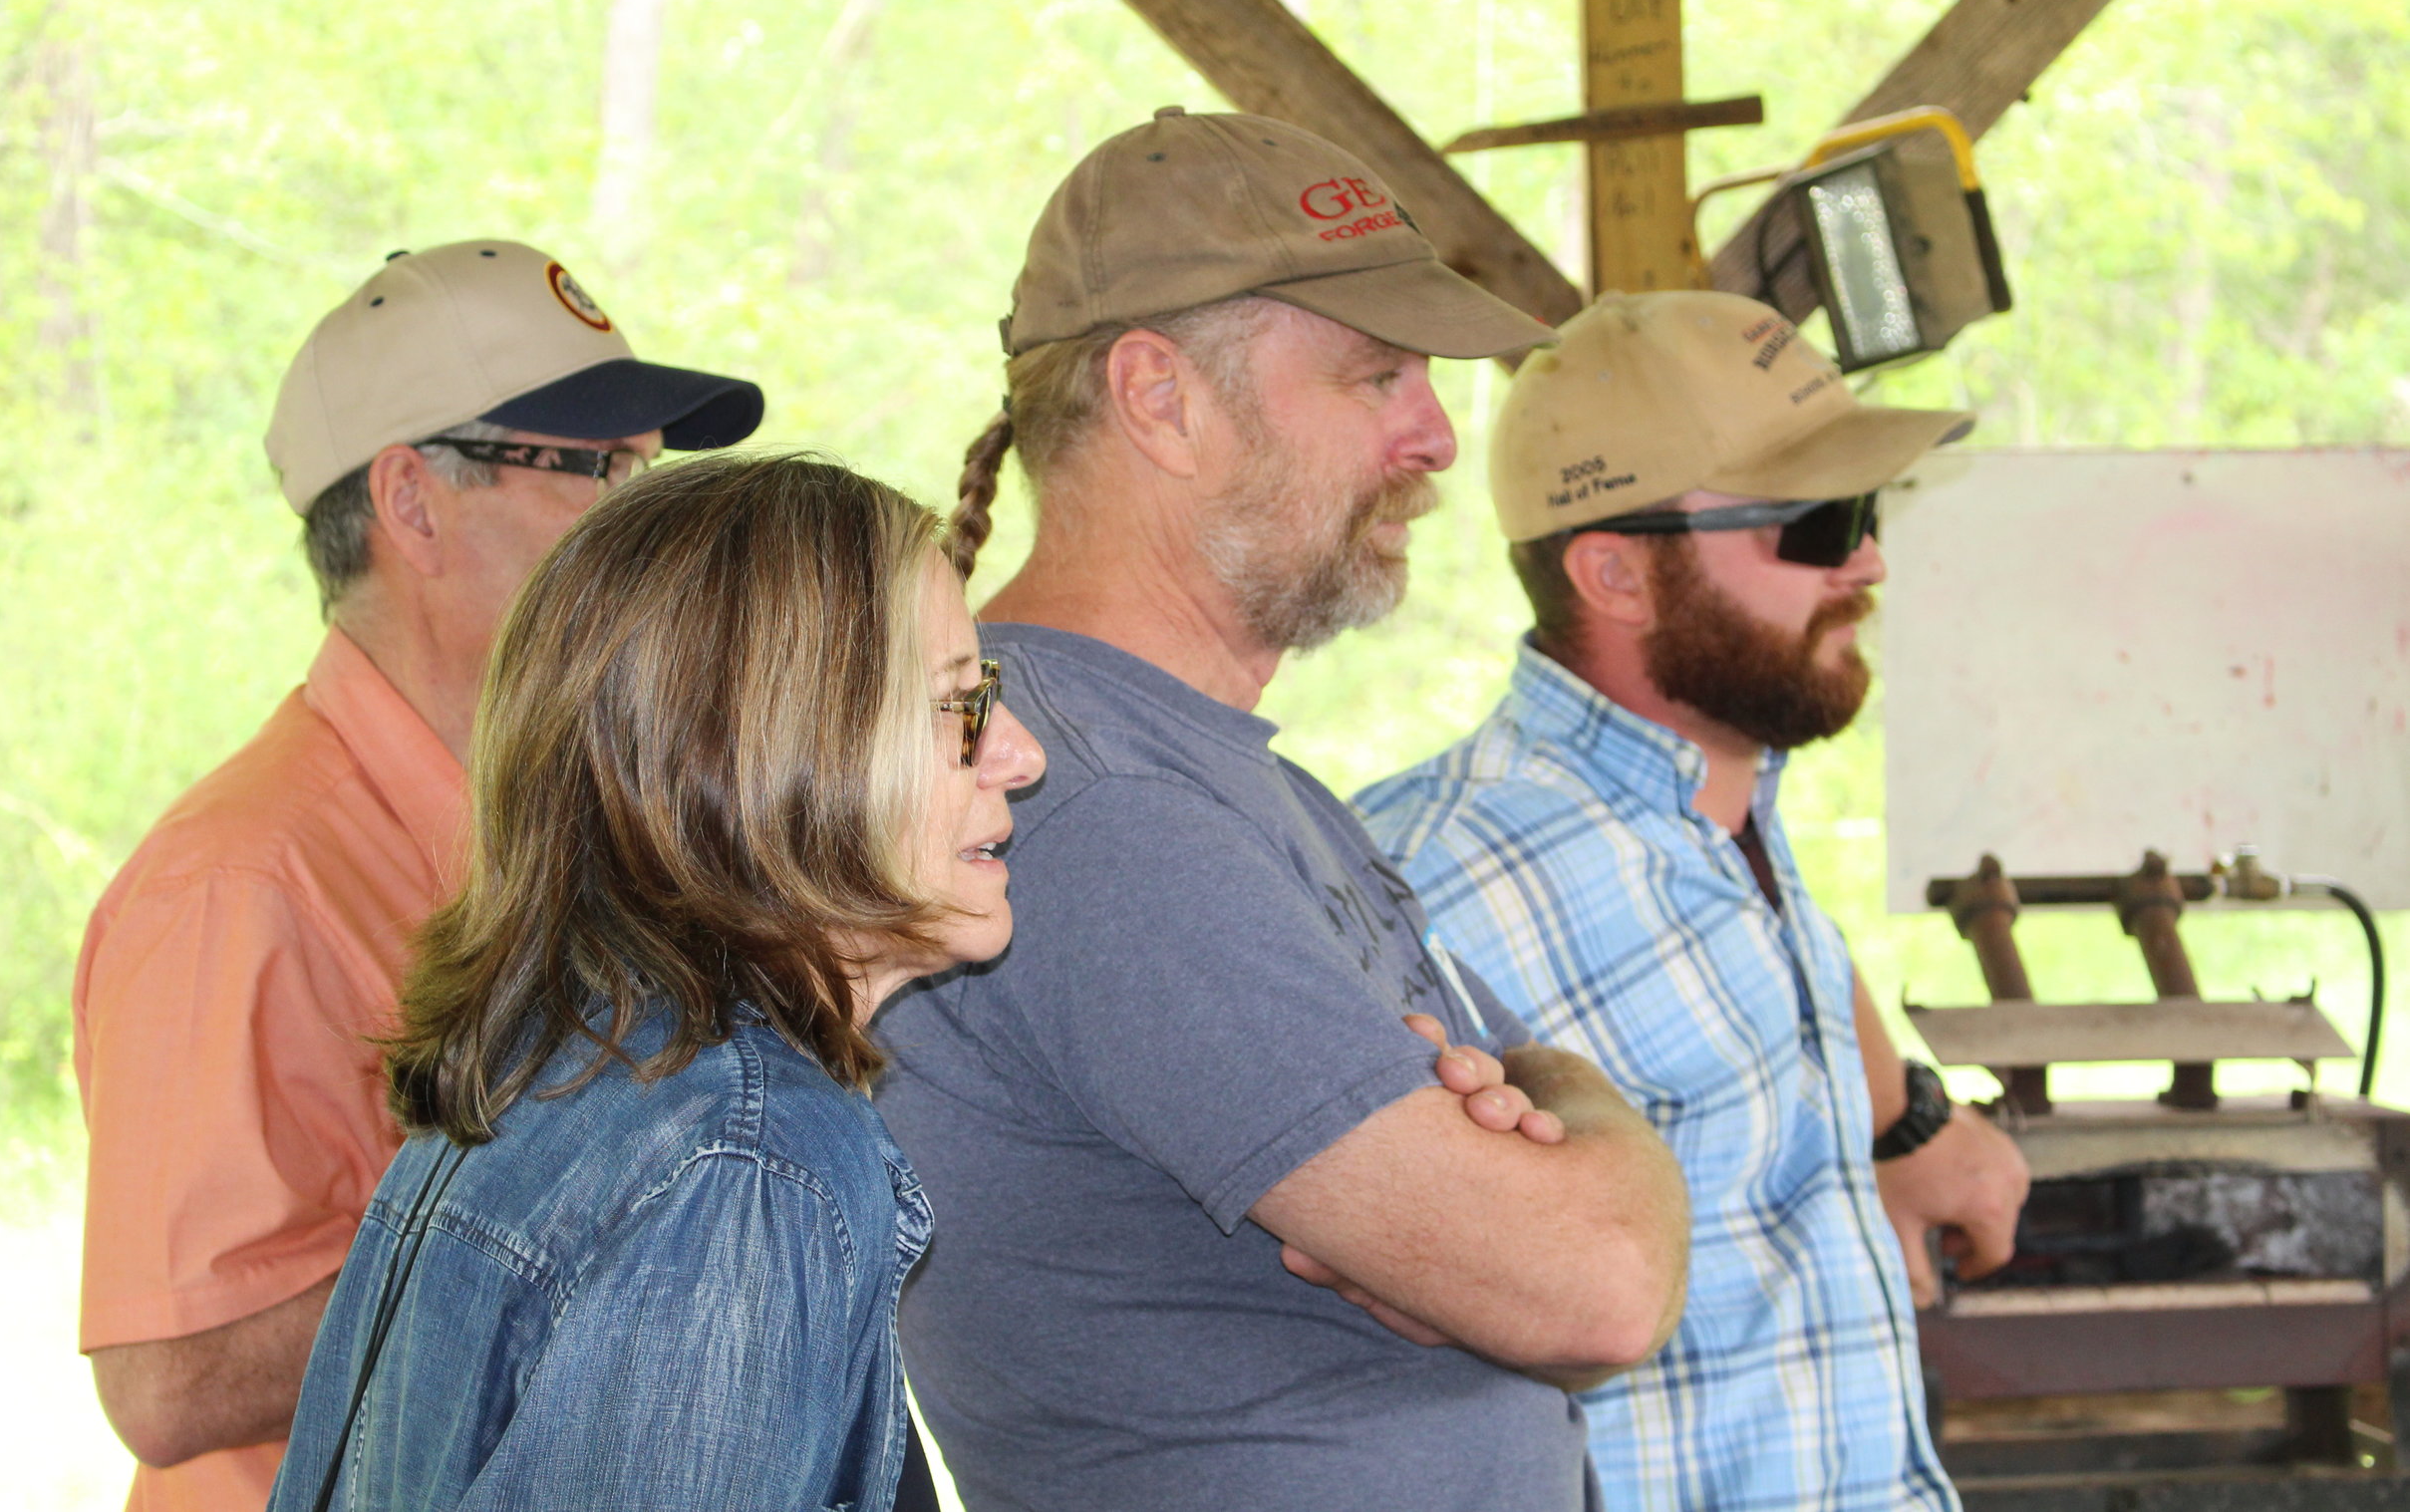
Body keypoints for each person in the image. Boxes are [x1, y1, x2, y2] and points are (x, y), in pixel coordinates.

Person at [872, 108, 1690, 1512]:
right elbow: (1598, 1286)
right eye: (1377, 375)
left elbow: (1558, 1181)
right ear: (1160, 397)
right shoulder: (1078, 800)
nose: (1436, 432)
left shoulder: (1231, 779)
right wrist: (1574, 1143)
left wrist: (1560, 1114)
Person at [71, 240, 761, 1512]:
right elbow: (167, 1378)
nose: (641, 516)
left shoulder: (564, 827)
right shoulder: (242, 880)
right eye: (599, 469)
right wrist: (571, 1220)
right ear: (412, 500)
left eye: (648, 470)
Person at [1356, 290, 2034, 1512]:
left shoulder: (1728, 810)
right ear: (1616, 570)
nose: (1869, 559)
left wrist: (1908, 1124)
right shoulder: (1433, 889)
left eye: (1868, 511)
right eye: (1819, 523)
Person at [267, 453, 1044, 1510]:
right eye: (960, 704)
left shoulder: (573, 1069)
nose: (1020, 754)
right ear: (763, 753)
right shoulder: (745, 1163)